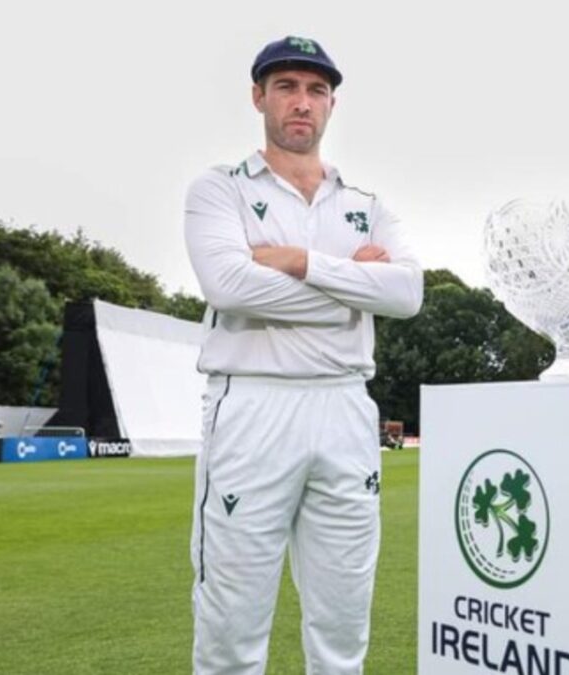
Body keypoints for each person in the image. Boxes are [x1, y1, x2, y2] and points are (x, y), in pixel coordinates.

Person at [183, 35, 423, 674]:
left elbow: (408, 292)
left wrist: (299, 263)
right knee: (231, 624)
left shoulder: (366, 205)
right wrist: (353, 288)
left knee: (343, 623)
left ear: (331, 105)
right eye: (286, 86)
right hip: (252, 400)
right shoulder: (219, 190)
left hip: (345, 404)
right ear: (258, 95)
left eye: (316, 90)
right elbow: (227, 285)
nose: (301, 102)